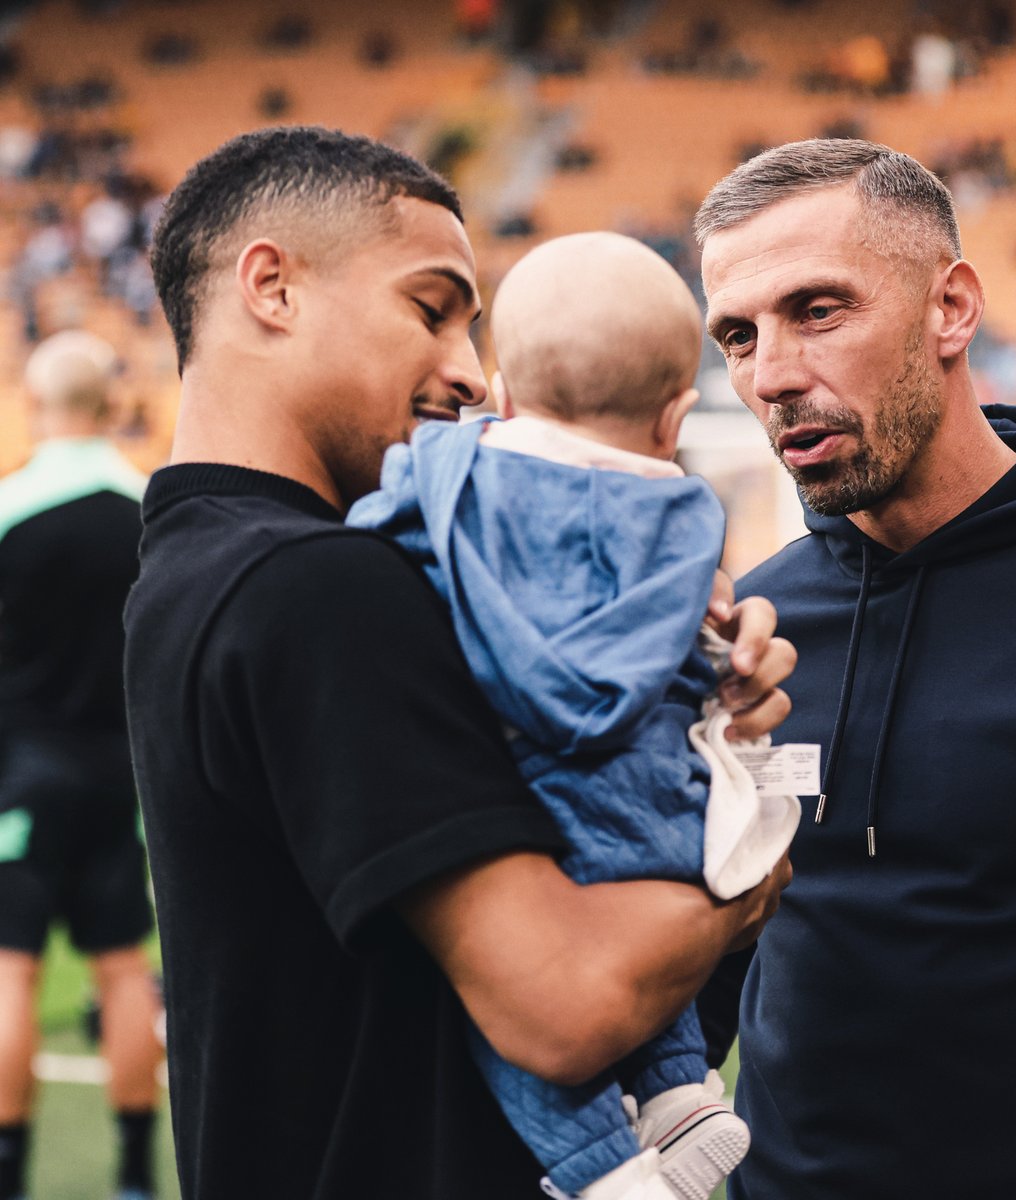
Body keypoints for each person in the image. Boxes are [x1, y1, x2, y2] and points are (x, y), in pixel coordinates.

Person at [123, 125, 795, 1200]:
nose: (471, 376)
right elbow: (566, 1005)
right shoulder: (316, 588)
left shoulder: (200, 567)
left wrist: (685, 705)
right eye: (431, 309)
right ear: (271, 286)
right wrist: (748, 858)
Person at [692, 137, 1016, 1199]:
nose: (772, 374)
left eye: (818, 311)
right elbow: (710, 961)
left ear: (952, 310)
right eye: (738, 335)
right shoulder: (753, 621)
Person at [348, 231, 801, 1200]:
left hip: (533, 780)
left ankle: (603, 1168)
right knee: (650, 926)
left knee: (513, 997)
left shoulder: (459, 488)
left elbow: (385, 539)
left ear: (503, 394)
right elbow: (704, 634)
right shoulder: (685, 517)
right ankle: (682, 1090)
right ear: (676, 417)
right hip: (653, 795)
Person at [0, 331, 163, 1200]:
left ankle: (11, 1173)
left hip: (23, 778)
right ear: (110, 404)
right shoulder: (149, 509)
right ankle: (137, 1176)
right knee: (124, 968)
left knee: (9, 969)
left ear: (36, 403)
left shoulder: (9, 509)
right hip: (120, 780)